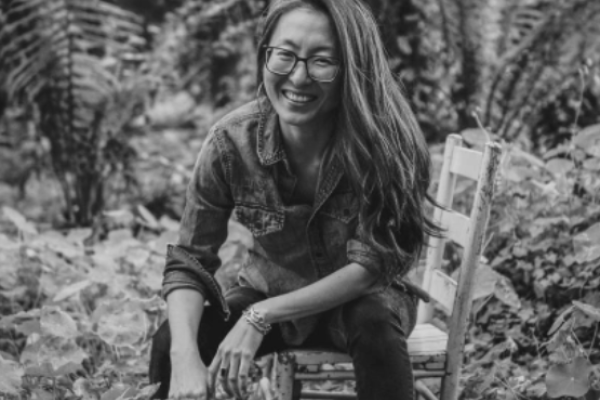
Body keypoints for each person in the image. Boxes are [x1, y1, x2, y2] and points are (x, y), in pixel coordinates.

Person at [149, 0, 440, 399]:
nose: (299, 77)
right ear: (265, 55)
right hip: (267, 290)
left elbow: (374, 263)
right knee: (173, 339)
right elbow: (190, 261)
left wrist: (261, 316)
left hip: (361, 300)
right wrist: (185, 360)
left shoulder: (386, 144)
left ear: (353, 68)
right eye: (284, 55)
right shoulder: (231, 143)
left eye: (322, 61)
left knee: (374, 325)